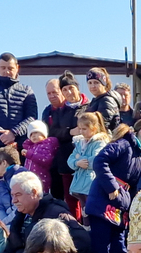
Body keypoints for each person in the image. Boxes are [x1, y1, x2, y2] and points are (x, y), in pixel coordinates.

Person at [85, 123, 141, 253]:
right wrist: (112, 187)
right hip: (103, 201)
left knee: (119, 247)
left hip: (121, 205)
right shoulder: (123, 144)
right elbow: (99, 160)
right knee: (101, 247)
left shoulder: (139, 153)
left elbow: (134, 184)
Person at [0, 53, 38, 209]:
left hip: (17, 147)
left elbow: (31, 117)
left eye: (10, 68)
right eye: (3, 68)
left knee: (19, 185)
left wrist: (14, 133)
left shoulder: (26, 90)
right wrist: (0, 133)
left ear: (17, 68)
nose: (6, 71)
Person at [47, 71, 89, 219]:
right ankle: (75, 228)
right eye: (65, 90)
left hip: (87, 160)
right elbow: (53, 132)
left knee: (87, 197)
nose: (69, 92)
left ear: (77, 88)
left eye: (71, 88)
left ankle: (88, 226)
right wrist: (70, 132)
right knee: (71, 198)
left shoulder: (88, 107)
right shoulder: (60, 111)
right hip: (67, 160)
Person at [67, 112, 111, 213]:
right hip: (80, 184)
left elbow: (95, 160)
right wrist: (77, 162)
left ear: (94, 128)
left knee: (92, 209)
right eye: (80, 129)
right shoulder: (80, 142)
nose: (81, 132)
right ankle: (86, 228)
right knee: (84, 210)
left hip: (91, 182)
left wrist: (80, 158)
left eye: (84, 129)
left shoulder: (100, 142)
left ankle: (91, 228)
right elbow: (70, 159)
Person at [0, 145, 27, 226]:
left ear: (4, 163)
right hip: (6, 224)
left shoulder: (23, 179)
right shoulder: (2, 182)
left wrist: (3, 225)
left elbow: (20, 209)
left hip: (21, 224)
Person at [22, 120, 59, 192]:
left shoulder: (46, 145)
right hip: (29, 179)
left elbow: (46, 160)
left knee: (40, 197)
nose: (33, 136)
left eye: (36, 132)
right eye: (31, 134)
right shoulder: (31, 147)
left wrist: (30, 154)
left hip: (41, 179)